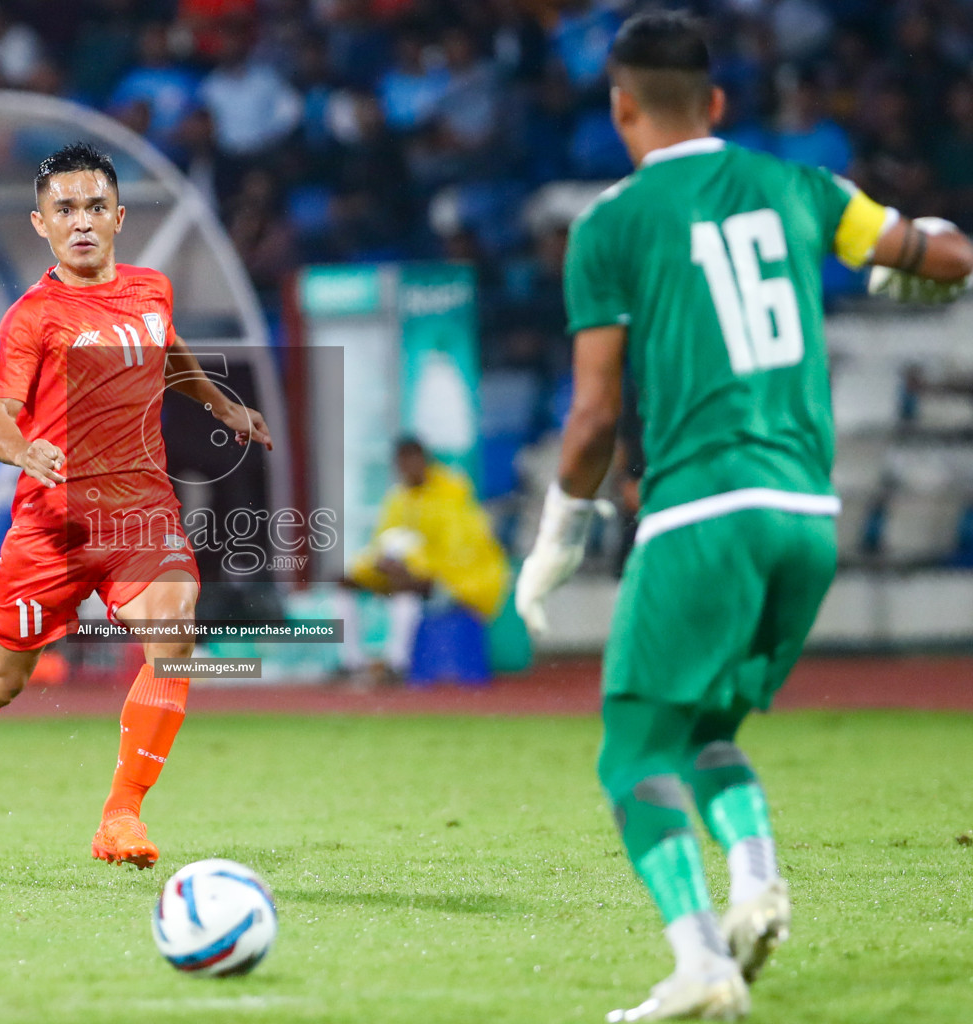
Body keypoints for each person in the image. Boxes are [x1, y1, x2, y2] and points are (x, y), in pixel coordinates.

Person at [514, 12, 973, 1022]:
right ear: (717, 103)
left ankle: (701, 963)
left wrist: (560, 530)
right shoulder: (803, 189)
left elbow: (592, 415)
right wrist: (910, 259)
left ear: (621, 107)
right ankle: (758, 883)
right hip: (808, 516)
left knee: (634, 751)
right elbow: (944, 254)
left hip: (704, 509)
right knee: (710, 722)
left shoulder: (613, 222)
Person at [0, 142, 273, 872]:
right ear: (40, 223)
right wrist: (24, 451)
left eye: (95, 206)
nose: (81, 221)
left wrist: (221, 402)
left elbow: (166, 353)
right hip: (52, 528)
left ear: (119, 217)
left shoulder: (151, 289)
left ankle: (121, 813)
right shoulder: (33, 318)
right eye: (64, 208)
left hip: (139, 513)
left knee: (173, 633)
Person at [340, 438, 510, 683]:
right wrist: (374, 568)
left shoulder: (452, 494)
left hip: (461, 582)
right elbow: (383, 542)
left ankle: (399, 665)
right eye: (402, 462)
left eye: (412, 460)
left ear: (425, 461)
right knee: (345, 585)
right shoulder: (398, 498)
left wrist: (413, 568)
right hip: (409, 575)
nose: (407, 468)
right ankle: (351, 662)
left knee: (406, 592)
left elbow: (457, 554)